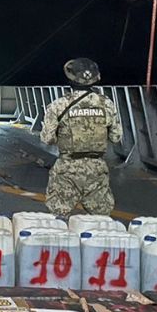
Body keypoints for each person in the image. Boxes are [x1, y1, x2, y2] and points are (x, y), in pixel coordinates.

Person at [39, 58, 123, 218]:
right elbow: (116, 136)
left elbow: (47, 139)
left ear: (69, 78)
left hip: (67, 169)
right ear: (95, 79)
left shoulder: (59, 105)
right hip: (97, 169)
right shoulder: (107, 104)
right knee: (101, 220)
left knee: (59, 218)